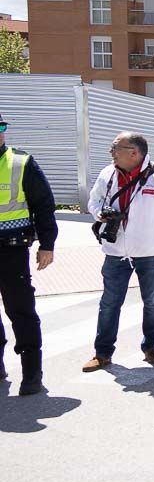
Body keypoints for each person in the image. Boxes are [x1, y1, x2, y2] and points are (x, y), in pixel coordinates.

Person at [84, 132, 154, 373]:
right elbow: (92, 202)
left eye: (116, 148)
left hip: (153, 253)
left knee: (153, 303)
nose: (111, 152)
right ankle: (102, 353)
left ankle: (151, 347)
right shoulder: (108, 174)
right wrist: (99, 213)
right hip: (115, 251)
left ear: (134, 153)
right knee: (109, 303)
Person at [0, 114, 57, 395]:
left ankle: (32, 373)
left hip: (11, 249)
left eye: (0, 127)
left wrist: (47, 244)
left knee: (20, 311)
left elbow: (44, 204)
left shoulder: (21, 162)